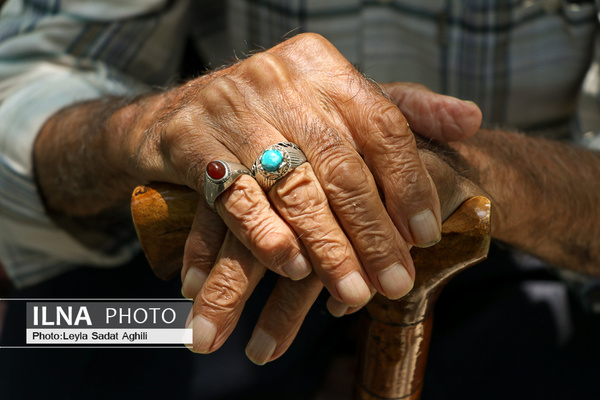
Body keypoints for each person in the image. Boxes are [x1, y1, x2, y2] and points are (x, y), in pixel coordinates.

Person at [0, 0, 599, 399]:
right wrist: (142, 127)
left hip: (529, 263)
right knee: (48, 331)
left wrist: (457, 169)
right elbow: (27, 76)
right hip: (220, 233)